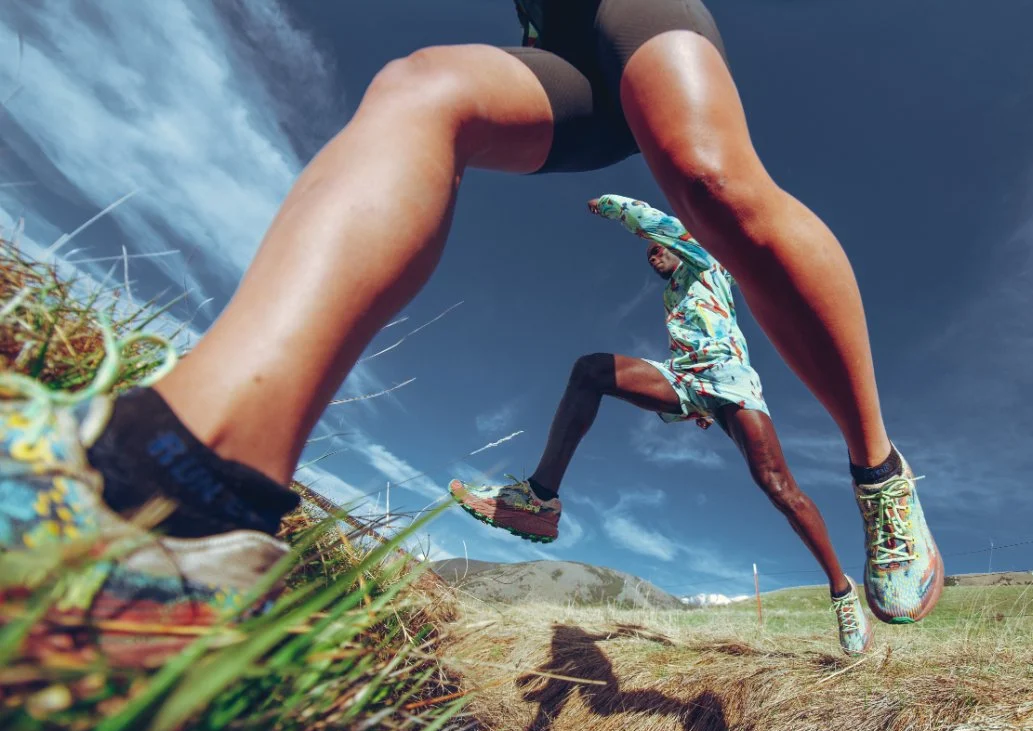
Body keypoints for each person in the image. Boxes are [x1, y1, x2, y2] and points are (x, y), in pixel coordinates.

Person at [0, 1, 942, 664]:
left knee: (706, 180)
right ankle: (186, 483)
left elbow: (672, 227)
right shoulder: (668, 294)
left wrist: (624, 210)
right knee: (420, 89)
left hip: (642, 44)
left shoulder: (691, 259)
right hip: (569, 68)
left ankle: (877, 476)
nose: (661, 264)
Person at [451, 194, 875, 654]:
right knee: (590, 370)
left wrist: (611, 205)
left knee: (778, 487)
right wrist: (691, 407)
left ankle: (841, 592)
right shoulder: (673, 295)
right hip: (686, 379)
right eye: (650, 253)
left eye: (658, 248)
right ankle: (540, 499)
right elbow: (686, 350)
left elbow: (657, 224)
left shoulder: (704, 259)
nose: (653, 254)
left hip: (729, 379)